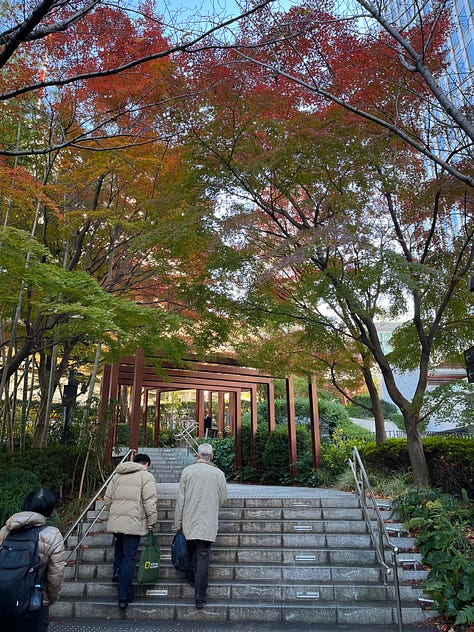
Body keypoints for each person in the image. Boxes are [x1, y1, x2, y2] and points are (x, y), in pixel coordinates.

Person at [0, 488, 65, 632]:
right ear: (49, 509)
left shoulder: (5, 531)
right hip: (33, 605)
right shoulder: (52, 534)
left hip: (3, 600)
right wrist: (46, 601)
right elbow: (55, 577)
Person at [173, 443, 228, 610]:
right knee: (203, 556)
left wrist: (177, 523)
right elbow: (223, 498)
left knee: (191, 552)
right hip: (207, 522)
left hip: (189, 521)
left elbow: (180, 500)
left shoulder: (187, 471)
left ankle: (192, 577)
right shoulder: (218, 474)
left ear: (198, 455)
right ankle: (200, 598)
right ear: (211, 456)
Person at [104, 452, 158, 610]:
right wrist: (151, 521)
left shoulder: (118, 474)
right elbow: (150, 502)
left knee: (119, 547)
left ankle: (117, 572)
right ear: (146, 464)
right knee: (129, 558)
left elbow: (108, 499)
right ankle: (123, 596)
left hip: (117, 520)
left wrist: (114, 512)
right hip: (133, 523)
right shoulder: (146, 477)